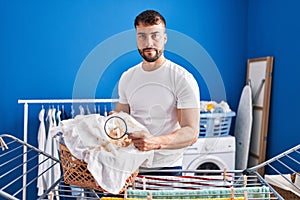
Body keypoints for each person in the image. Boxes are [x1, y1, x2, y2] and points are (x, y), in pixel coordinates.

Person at [116, 10, 200, 175]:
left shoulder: (182, 78)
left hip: (168, 168)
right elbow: (120, 120)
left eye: (155, 35)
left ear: (164, 39)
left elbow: (191, 132)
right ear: (136, 38)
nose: (148, 43)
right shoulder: (127, 77)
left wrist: (154, 142)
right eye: (142, 36)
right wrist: (113, 123)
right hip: (131, 167)